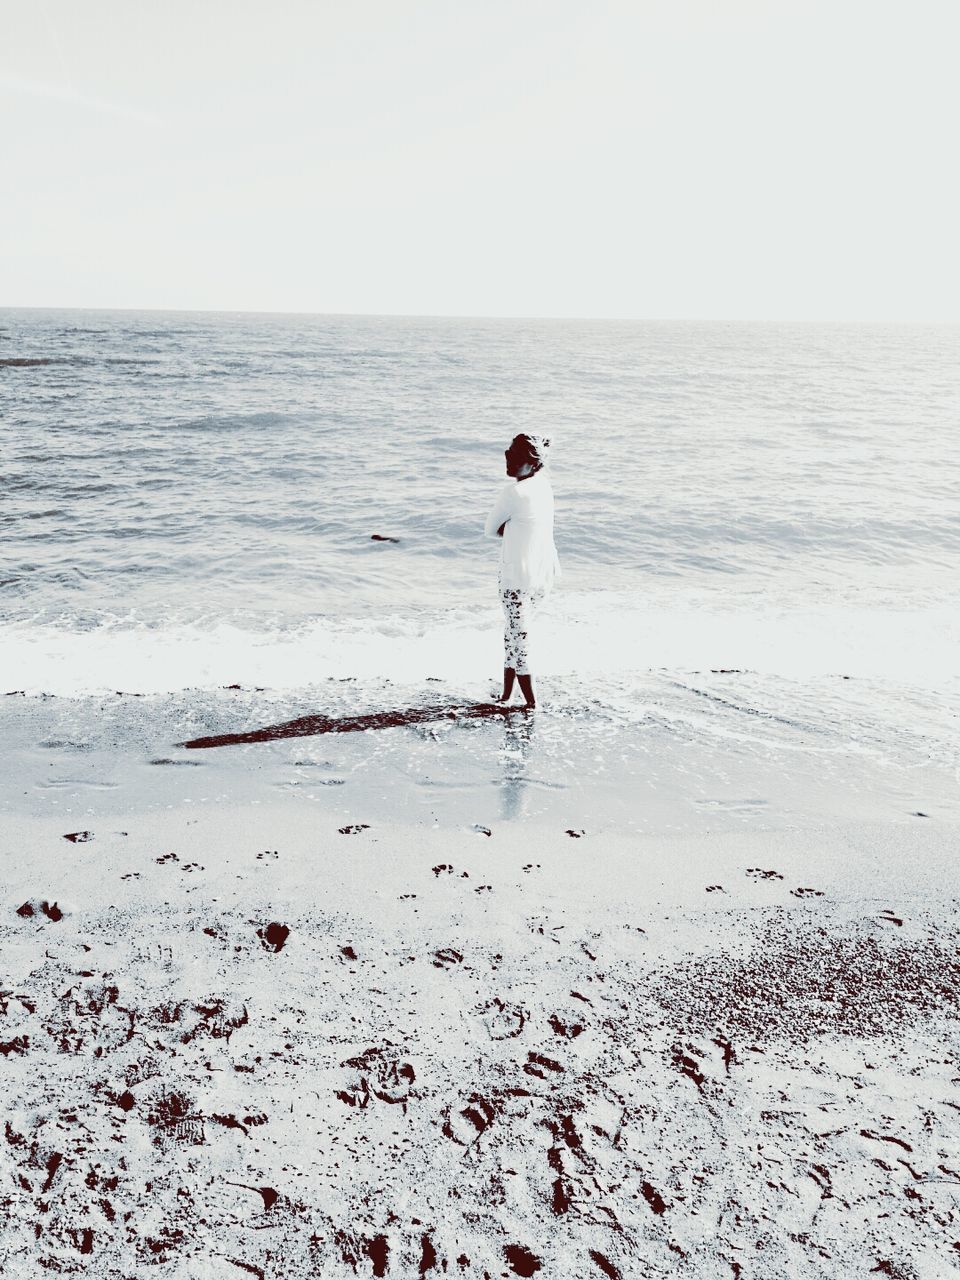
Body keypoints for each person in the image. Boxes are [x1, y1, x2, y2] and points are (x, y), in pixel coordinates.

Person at [484, 433, 561, 708]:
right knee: (515, 632)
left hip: (517, 576)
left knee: (518, 636)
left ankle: (531, 703)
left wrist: (512, 529)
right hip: (544, 573)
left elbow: (489, 529)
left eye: (516, 458)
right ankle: (507, 695)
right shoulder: (544, 486)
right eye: (509, 455)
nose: (510, 461)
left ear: (533, 463)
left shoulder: (513, 492)